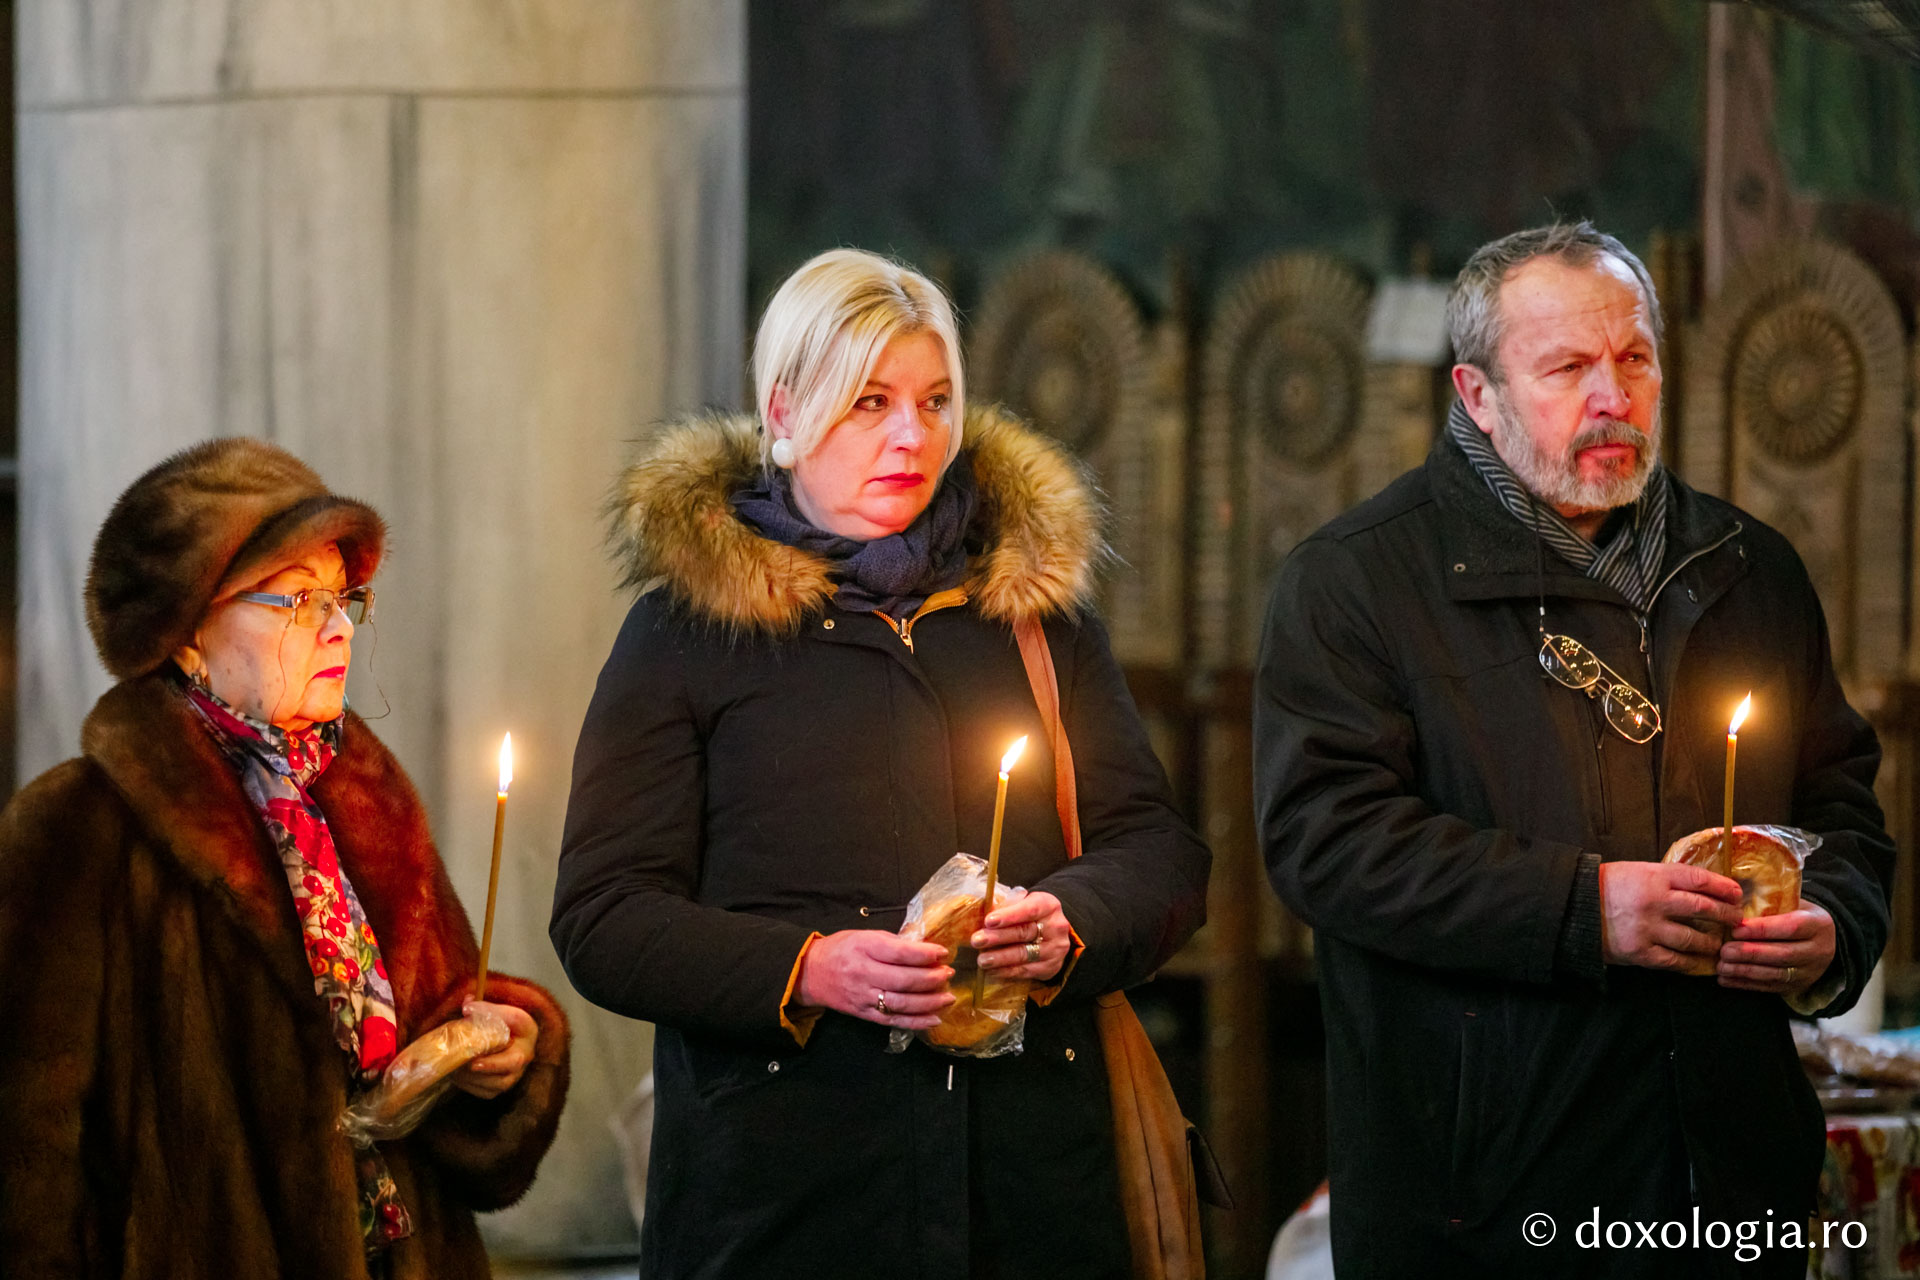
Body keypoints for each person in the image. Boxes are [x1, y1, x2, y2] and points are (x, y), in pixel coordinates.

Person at [551, 248, 1210, 1279]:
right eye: (871, 402)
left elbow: (1158, 853)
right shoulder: (685, 633)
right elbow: (604, 915)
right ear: (785, 408)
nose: (913, 435)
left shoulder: (1029, 613)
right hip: (783, 1201)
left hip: (1028, 1195)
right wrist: (809, 969)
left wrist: (1067, 922)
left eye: (935, 400)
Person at [1253, 222, 1894, 1278]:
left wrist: (1831, 927)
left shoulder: (1750, 568)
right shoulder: (1354, 582)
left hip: (1730, 1186)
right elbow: (1327, 843)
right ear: (1477, 393)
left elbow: (1842, 811)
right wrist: (1583, 910)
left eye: (1634, 358)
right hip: (1486, 1203)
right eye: (1566, 368)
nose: (1613, 396)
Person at [0, 440, 570, 1279]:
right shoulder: (79, 824)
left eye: (343, 598)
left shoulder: (363, 797)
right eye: (300, 600)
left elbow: (435, 1031)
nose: (338, 627)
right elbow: (26, 1150)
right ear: (188, 629)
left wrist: (500, 1053)